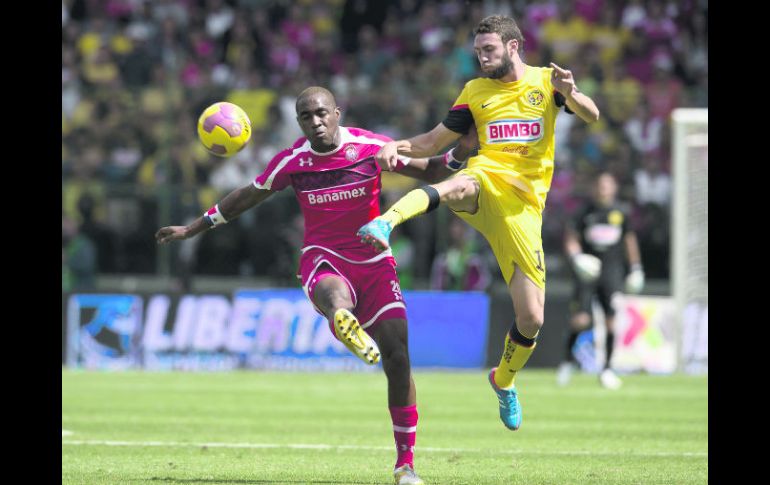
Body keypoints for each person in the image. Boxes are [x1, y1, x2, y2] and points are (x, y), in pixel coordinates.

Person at [156, 86, 476, 485]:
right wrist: (194, 227)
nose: (316, 122)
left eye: (322, 113)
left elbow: (431, 170)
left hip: (374, 260)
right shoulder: (294, 161)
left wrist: (463, 150)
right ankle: (342, 319)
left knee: (398, 358)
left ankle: (405, 465)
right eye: (306, 117)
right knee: (333, 296)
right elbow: (246, 197)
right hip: (323, 256)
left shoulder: (370, 146)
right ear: (299, 122)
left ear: (337, 113)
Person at [357, 15, 600, 431]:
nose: (482, 58)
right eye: (478, 51)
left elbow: (592, 115)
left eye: (489, 50)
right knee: (461, 184)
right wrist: (394, 145)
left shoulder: (546, 82)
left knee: (532, 318)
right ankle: (385, 223)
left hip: (523, 210)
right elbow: (434, 142)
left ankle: (502, 381)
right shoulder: (474, 92)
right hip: (486, 179)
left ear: (513, 46)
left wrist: (571, 92)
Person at [558, 171, 645, 390]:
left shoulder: (621, 212)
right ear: (594, 187)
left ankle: (606, 369)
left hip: (611, 273)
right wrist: (577, 258)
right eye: (600, 185)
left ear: (614, 187)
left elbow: (629, 240)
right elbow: (571, 238)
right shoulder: (584, 212)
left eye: (607, 185)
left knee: (611, 321)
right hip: (587, 274)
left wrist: (635, 268)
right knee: (581, 320)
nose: (603, 189)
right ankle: (567, 362)